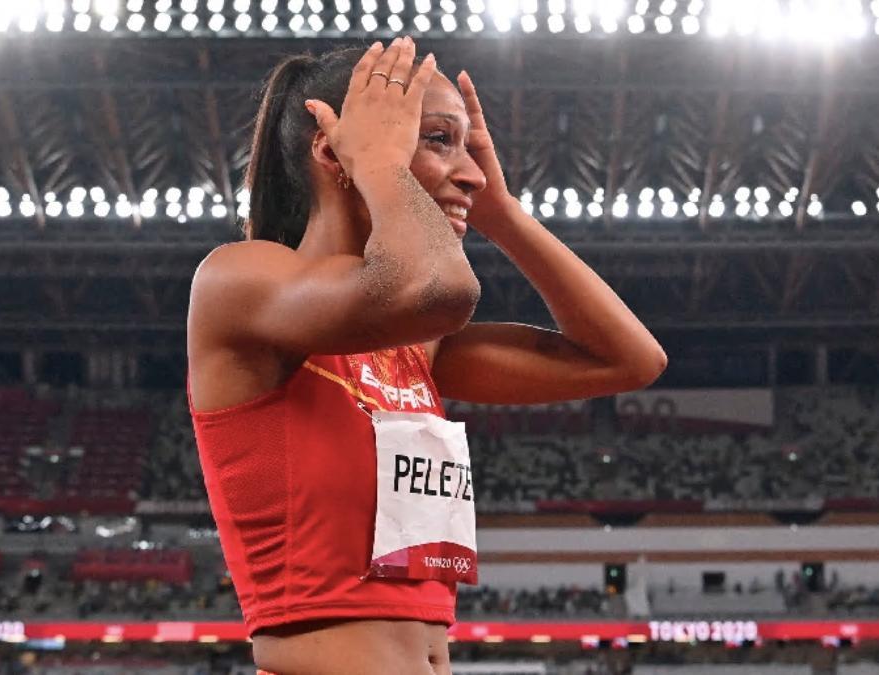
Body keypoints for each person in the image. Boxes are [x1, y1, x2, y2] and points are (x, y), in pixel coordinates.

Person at [186, 37, 666, 675]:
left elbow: (628, 360)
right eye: (438, 139)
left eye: (467, 147)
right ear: (335, 151)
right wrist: (382, 168)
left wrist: (502, 213)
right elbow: (439, 291)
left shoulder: (414, 344)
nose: (470, 170)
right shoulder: (240, 283)